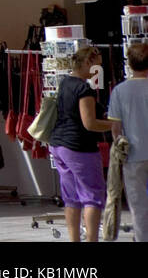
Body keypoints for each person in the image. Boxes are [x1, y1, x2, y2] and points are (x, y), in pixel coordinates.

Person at [50, 46, 113, 242]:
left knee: (71, 197)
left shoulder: (65, 83)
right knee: (92, 195)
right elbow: (90, 123)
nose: (98, 71)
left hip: (58, 145)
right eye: (97, 66)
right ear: (87, 63)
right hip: (79, 148)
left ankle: (74, 239)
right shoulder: (83, 88)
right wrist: (115, 125)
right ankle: (92, 239)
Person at [108, 42, 148, 243]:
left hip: (133, 153)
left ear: (130, 65)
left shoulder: (119, 91)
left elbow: (115, 129)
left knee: (138, 205)